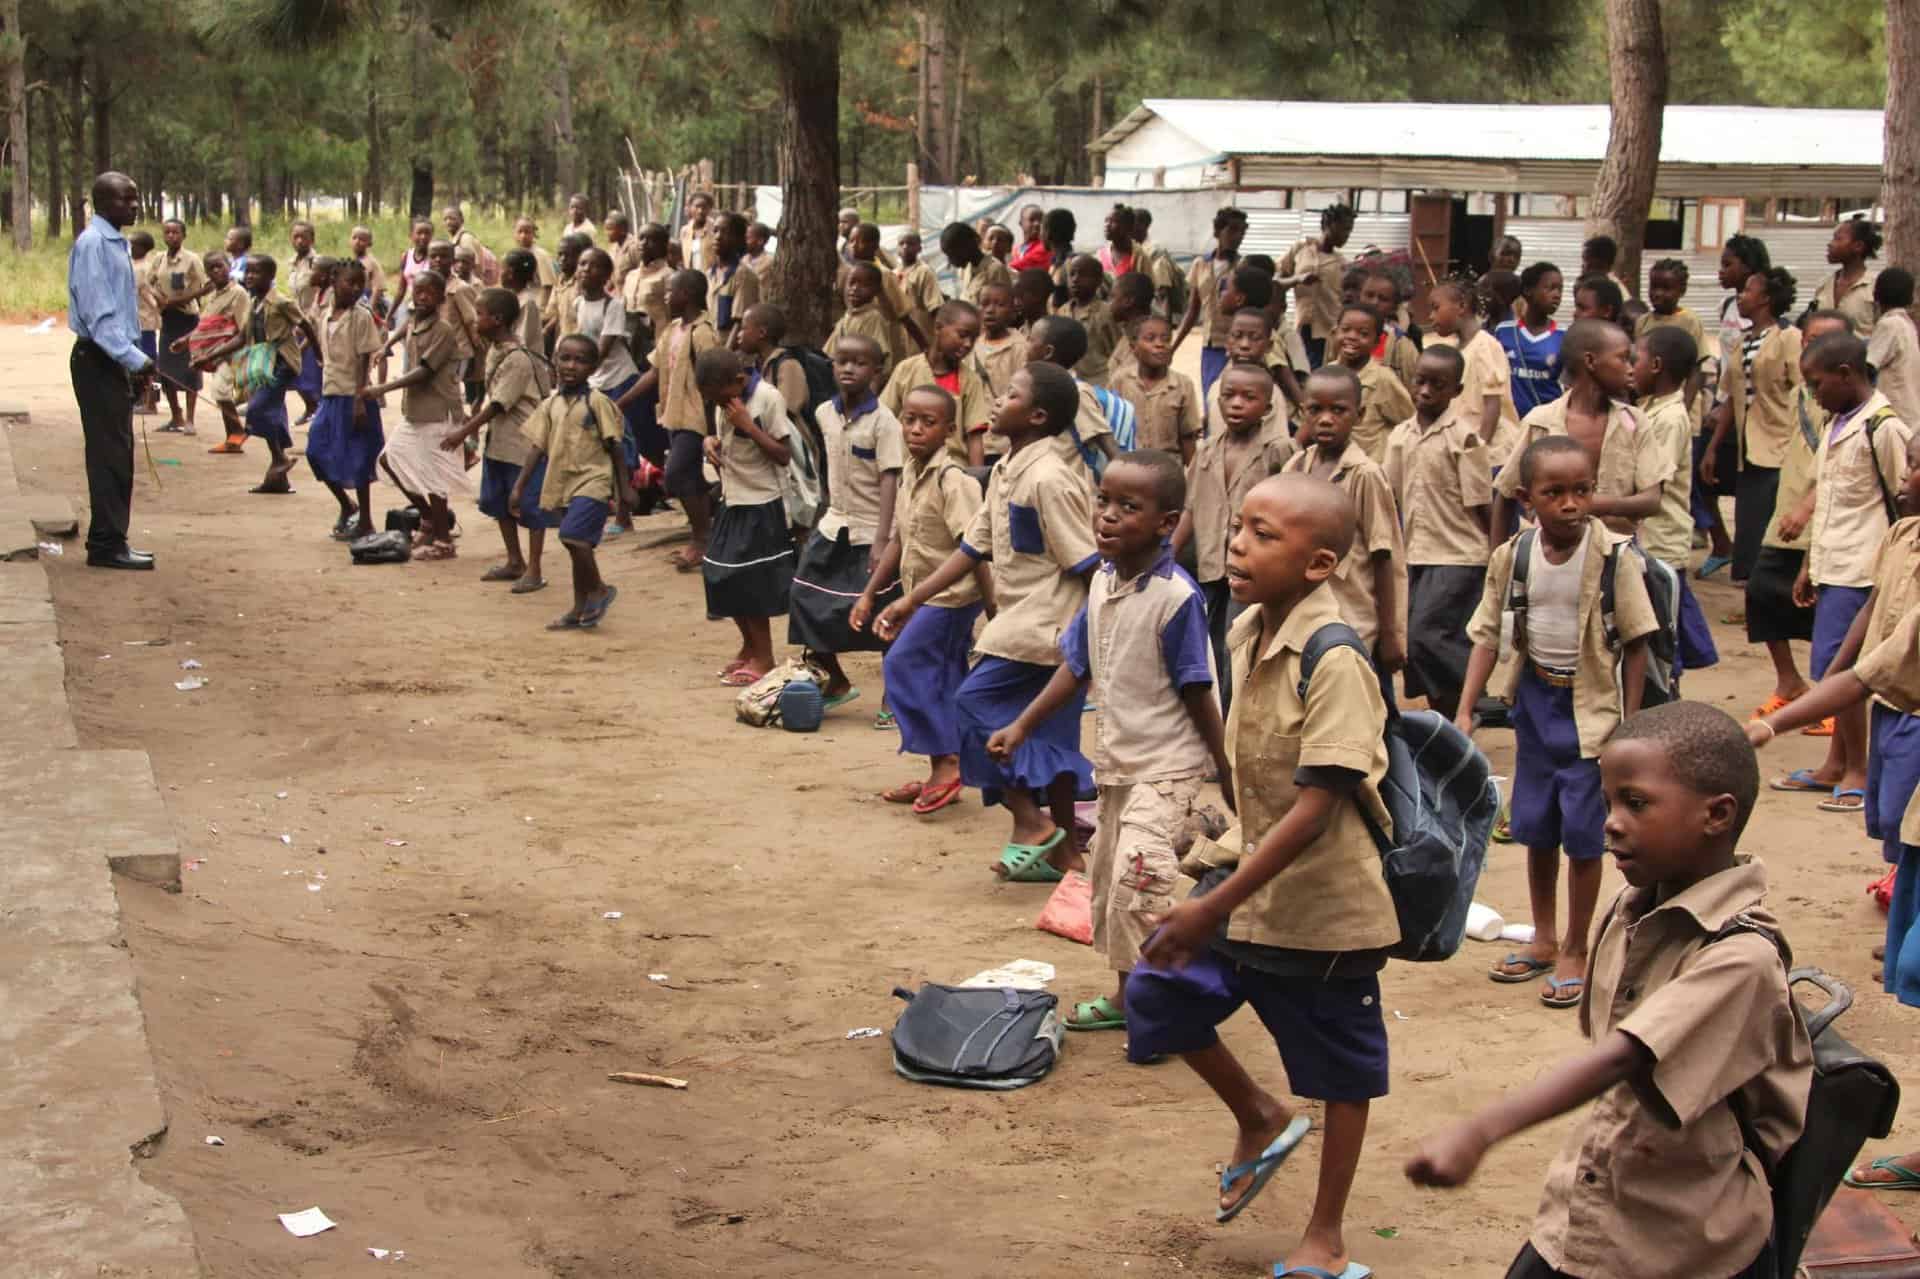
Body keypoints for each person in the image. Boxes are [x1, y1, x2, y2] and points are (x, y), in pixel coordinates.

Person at [1408, 701, 1811, 1279]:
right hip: (1593, 1202)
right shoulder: (1632, 908)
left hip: (1685, 1240)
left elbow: (1625, 1056)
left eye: (1636, 803)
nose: (1611, 823)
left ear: (1717, 815)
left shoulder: (1742, 958)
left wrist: (1482, 1129)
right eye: (1608, 803)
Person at [1127, 471, 1396, 1279]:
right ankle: (1257, 1112)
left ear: (1318, 564)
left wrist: (1213, 907)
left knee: (1342, 1071)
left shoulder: (1335, 656)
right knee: (1157, 988)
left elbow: (1317, 806)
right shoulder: (1247, 627)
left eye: (1263, 535)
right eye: (1239, 527)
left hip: (1323, 904)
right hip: (1245, 877)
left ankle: (1326, 1234)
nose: (1238, 545)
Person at [990, 450, 1227, 1040]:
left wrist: (1225, 767)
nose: (1108, 516)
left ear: (1166, 523)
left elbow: (1198, 689)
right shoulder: (1101, 581)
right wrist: (1022, 726)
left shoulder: (1176, 598)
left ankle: (1166, 1008)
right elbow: (1078, 665)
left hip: (1166, 767)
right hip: (1118, 764)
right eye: (1104, 501)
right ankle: (1129, 995)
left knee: (1140, 882)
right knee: (1110, 885)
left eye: (1129, 506)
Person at [875, 363, 1099, 883]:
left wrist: (1091, 640)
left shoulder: (1049, 478)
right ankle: (1067, 856)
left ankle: (1030, 820)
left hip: (1049, 630)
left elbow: (1088, 564)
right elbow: (973, 547)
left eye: (1011, 395)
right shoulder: (1005, 471)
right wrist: (911, 601)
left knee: (972, 705)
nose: (997, 401)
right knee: (1053, 737)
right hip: (1022, 624)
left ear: (1037, 415)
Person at [1460, 437, 1656, 1009]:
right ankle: (1543, 937)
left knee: (1584, 836)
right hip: (1534, 704)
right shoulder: (1514, 556)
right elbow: (1486, 635)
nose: (1571, 504)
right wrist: (1467, 707)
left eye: (1582, 491)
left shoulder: (1614, 557)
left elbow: (1637, 643)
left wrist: (1631, 724)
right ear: (1527, 499)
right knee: (1536, 827)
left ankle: (1576, 946)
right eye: (1555, 493)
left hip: (1591, 712)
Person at [1750, 441, 1920, 1037]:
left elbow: (1868, 675)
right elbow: (1870, 650)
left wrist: (1773, 724)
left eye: (1917, 466)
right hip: (1896, 700)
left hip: (1905, 704)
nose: (1907, 476)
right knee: (1895, 824)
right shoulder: (1901, 536)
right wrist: (1830, 679)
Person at [1788, 331, 1913, 816]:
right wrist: (1809, 564)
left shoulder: (1884, 428)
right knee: (1829, 666)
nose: (1813, 394)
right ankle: (1834, 764)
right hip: (1833, 562)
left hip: (1864, 569)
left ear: (1845, 374)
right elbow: (1829, 500)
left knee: (1842, 670)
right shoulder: (1837, 422)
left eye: (1817, 383)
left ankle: (1856, 770)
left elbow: (1904, 501)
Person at [853, 386, 992, 815]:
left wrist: (994, 611)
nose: (915, 429)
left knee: (903, 664)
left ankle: (947, 764)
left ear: (948, 430)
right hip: (922, 595)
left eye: (928, 423)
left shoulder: (955, 482)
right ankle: (944, 767)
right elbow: (900, 539)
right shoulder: (911, 473)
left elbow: (976, 549)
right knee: (943, 679)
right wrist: (869, 594)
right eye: (909, 419)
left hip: (950, 598)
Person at [1744, 309, 1855, 737]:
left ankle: (1832, 700)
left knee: (1833, 615)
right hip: (1787, 509)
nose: (1813, 348)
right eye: (1809, 340)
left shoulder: (1853, 404)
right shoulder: (1801, 393)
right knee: (1763, 593)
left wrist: (1808, 509)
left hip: (1831, 519)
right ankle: (1789, 682)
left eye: (1824, 341)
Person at [788, 334, 903, 705]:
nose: (849, 369)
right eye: (842, 362)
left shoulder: (885, 422)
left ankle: (894, 696)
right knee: (805, 597)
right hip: (834, 523)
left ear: (876, 370)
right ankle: (834, 679)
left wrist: (883, 539)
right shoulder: (824, 412)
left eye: (860, 363)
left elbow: (890, 477)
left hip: (873, 528)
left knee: (885, 611)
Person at [1173, 363, 1294, 695]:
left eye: (1248, 397)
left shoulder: (1278, 449)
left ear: (1267, 407)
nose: (1237, 404)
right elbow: (1191, 507)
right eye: (1229, 396)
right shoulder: (1207, 450)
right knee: (1210, 645)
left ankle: (1237, 712)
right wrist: (1168, 554)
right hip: (1212, 565)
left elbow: (1294, 507)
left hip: (1255, 568)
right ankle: (1220, 713)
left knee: (1240, 643)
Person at [1492, 318, 1668, 544]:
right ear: (1590, 361)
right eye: (1623, 359)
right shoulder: (1541, 422)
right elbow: (1506, 494)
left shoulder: (1634, 423)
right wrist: (1498, 557)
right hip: (1549, 551)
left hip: (1616, 550)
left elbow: (1652, 500)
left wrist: (1595, 504)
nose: (1631, 370)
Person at [1385, 346, 1490, 721]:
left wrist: (1497, 557)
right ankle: (1449, 723)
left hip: (1460, 554)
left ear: (1456, 391)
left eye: (1438, 385)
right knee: (1414, 649)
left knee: (1425, 635)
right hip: (1416, 554)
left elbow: (1483, 504)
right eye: (1421, 381)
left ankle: (1482, 699)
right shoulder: (1400, 436)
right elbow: (1389, 495)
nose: (1426, 391)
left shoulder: (1464, 438)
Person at [1281, 365, 1406, 671]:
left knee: (1364, 693)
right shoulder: (1296, 467)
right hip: (1304, 617)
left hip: (1354, 618)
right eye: (1316, 410)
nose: (1326, 419)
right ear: (1303, 412)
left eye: (1338, 410)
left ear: (1359, 415)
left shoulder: (1365, 475)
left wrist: (1390, 634)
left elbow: (1383, 556)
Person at [67, 171, 157, 571]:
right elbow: (100, 317)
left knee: (119, 454)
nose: (134, 206)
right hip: (98, 359)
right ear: (102, 203)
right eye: (125, 199)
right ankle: (106, 544)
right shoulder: (93, 245)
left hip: (113, 359)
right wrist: (137, 359)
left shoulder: (117, 243)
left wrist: (132, 361)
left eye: (135, 198)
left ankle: (112, 538)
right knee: (109, 456)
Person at [509, 334, 626, 630]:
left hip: (594, 481)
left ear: (593, 367)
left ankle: (598, 589)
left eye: (580, 361)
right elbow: (537, 446)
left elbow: (615, 446)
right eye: (565, 358)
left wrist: (625, 490)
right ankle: (578, 609)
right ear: (555, 361)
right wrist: (519, 487)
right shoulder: (551, 404)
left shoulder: (598, 402)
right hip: (563, 484)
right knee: (577, 548)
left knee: (572, 536)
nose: (571, 366)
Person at [698, 348, 797, 681]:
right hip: (733, 497)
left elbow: (783, 454)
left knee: (751, 582)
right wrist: (711, 443)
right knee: (720, 574)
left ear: (739, 380)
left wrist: (748, 426)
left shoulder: (768, 398)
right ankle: (749, 647)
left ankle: (764, 657)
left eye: (718, 396)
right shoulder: (722, 399)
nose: (716, 403)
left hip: (761, 502)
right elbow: (723, 438)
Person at [362, 269, 472, 558]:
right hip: (416, 411)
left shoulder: (443, 330)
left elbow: (425, 371)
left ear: (440, 298)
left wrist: (383, 388)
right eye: (418, 291)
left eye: (429, 293)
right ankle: (428, 518)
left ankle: (443, 541)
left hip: (437, 411)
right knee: (389, 460)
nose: (422, 297)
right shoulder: (415, 319)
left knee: (434, 478)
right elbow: (406, 328)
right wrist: (386, 344)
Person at [1703, 266, 1802, 585]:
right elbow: (1732, 398)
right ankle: (1753, 588)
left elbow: (1801, 391)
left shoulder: (1788, 338)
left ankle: (1769, 591)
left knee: (1769, 525)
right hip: (1749, 447)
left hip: (1780, 443)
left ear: (1765, 299)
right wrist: (1713, 447)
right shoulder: (1743, 341)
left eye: (1748, 290)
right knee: (1750, 525)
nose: (1741, 296)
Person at [1632, 324, 1718, 683]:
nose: (1629, 368)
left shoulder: (1670, 418)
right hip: (1653, 540)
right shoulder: (1650, 408)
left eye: (1635, 359)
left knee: (1663, 632)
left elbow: (1654, 480)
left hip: (1661, 541)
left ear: (1655, 365)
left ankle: (1668, 693)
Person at [457, 288, 554, 592]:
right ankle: (515, 561)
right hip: (500, 442)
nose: (476, 319)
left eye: (480, 314)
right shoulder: (496, 350)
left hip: (522, 445)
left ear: (497, 319)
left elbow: (499, 404)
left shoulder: (517, 358)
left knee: (530, 506)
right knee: (499, 502)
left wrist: (464, 431)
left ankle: (534, 569)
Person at [196, 254, 318, 496]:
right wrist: (209, 355)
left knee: (256, 409)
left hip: (282, 362)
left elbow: (306, 326)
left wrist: (317, 353)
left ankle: (280, 458)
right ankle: (278, 477)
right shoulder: (254, 303)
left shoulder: (281, 302)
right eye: (248, 272)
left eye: (256, 272)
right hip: (261, 364)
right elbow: (242, 337)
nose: (250, 276)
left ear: (270, 276)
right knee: (274, 411)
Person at [1697, 235, 1773, 579]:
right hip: (1725, 400)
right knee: (1702, 471)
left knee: (1749, 485)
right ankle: (1721, 543)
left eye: (1728, 264)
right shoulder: (1729, 305)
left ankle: (1750, 561)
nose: (1721, 270)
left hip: (1749, 409)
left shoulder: (1768, 318)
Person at [645, 269, 720, 571]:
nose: (665, 297)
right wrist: (621, 402)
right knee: (689, 477)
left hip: (695, 417)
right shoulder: (673, 329)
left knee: (675, 475)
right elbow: (654, 371)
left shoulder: (702, 332)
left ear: (685, 295)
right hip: (673, 414)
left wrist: (713, 426)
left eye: (669, 292)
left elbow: (713, 378)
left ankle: (702, 538)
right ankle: (708, 533)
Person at [306, 259, 384, 543]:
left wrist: (360, 399)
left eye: (360, 284)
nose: (355, 288)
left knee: (359, 458)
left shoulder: (360, 315)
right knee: (316, 451)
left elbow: (364, 357)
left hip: (353, 395)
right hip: (331, 392)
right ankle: (346, 504)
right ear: (334, 281)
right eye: (349, 282)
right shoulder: (325, 312)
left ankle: (365, 520)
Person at [881, 300, 991, 465]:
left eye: (973, 339)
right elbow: (884, 419)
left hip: (952, 467)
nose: (968, 344)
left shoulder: (970, 381)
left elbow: (974, 437)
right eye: (962, 335)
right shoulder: (906, 369)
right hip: (907, 466)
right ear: (938, 328)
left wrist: (976, 476)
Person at [1424, 278, 1517, 454]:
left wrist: (1479, 449)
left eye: (1436, 308)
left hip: (1491, 452)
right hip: (1463, 445)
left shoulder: (1485, 346)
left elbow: (1492, 404)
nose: (1431, 317)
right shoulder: (1457, 348)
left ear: (1461, 306)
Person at [1173, 207, 1249, 397]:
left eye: (1242, 231)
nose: (1238, 236)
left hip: (1236, 345)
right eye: (1232, 230)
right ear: (1217, 231)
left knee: (1229, 395)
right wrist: (1173, 347)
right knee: (1210, 396)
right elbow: (1192, 311)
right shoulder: (1201, 264)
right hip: (1210, 345)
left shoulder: (1243, 267)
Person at [1328, 303, 1415, 463]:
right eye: (1346, 330)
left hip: (1369, 465)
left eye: (1363, 334)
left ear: (1377, 341)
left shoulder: (1383, 379)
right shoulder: (1327, 374)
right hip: (1333, 463)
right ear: (1335, 332)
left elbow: (1410, 422)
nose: (1352, 337)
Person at [1109, 314, 1200, 464]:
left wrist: (1192, 473)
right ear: (1133, 348)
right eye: (1150, 339)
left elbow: (1188, 437)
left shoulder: (1183, 385)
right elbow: (1111, 430)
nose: (1160, 344)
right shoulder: (1120, 381)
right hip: (1130, 467)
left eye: (1166, 339)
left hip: (1168, 468)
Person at [147, 218, 210, 433]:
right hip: (168, 318)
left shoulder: (192, 259)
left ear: (184, 235)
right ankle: (176, 416)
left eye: (176, 232)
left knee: (190, 369)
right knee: (165, 370)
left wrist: (183, 299)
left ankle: (190, 419)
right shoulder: (159, 259)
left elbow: (207, 286)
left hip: (187, 318)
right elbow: (148, 283)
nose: (171, 236)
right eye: (167, 232)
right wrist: (160, 299)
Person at [189, 252, 253, 455]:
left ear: (229, 266)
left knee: (220, 390)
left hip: (231, 352)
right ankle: (233, 436)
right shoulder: (212, 296)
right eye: (211, 268)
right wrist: (185, 340)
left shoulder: (238, 293)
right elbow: (207, 325)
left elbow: (244, 331)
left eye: (220, 266)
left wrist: (213, 354)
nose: (216, 271)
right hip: (216, 354)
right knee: (220, 391)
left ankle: (237, 432)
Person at [1278, 204, 1355, 369]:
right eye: (1344, 229)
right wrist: (1297, 279)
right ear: (1328, 225)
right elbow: (1276, 282)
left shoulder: (1342, 264)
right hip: (1302, 327)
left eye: (1350, 230)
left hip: (1328, 331)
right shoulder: (1300, 249)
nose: (1347, 235)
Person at [1496, 262, 1566, 418]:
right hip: (1509, 422)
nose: (1557, 295)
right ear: (1528, 291)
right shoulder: (1503, 331)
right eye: (1550, 288)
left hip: (1547, 422)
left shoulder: (1564, 336)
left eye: (1560, 289)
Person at [1051, 254, 1120, 385]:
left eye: (1083, 275)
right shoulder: (1063, 311)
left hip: (1100, 382)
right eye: (1072, 274)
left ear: (1098, 280)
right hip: (1070, 381)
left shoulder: (1106, 313)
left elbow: (1117, 351)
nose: (1075, 279)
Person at [828, 261, 899, 386]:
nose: (855, 288)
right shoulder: (847, 318)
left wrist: (872, 391)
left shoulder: (873, 318)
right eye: (851, 283)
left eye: (864, 285)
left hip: (863, 382)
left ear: (876, 290)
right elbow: (829, 352)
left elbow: (879, 359)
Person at [1814, 216, 1881, 337]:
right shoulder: (1824, 284)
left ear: (1858, 246)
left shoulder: (1876, 286)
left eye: (1838, 239)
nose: (1830, 244)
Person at [1870, 268, 1920, 428]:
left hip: (1895, 414)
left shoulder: (1889, 324)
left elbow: (1869, 366)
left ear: (1876, 294)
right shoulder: (1906, 324)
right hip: (1910, 412)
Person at [706, 211, 762, 339]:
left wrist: (726, 351)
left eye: (725, 232)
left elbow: (740, 322)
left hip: (727, 346)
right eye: (715, 231)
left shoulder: (743, 275)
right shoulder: (709, 274)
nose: (718, 237)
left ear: (738, 239)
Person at [971, 280, 1027, 403]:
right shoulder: (971, 344)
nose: (990, 310)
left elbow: (1023, 390)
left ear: (1013, 312)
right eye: (984, 304)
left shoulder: (1020, 347)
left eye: (1000, 305)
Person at [940, 221, 1011, 310]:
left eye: (952, 255)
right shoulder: (965, 270)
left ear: (965, 247)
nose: (950, 262)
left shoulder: (995, 270)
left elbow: (1003, 308)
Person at [128, 230, 160, 417]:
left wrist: (156, 310)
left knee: (148, 360)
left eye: (132, 244)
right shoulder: (133, 265)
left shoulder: (144, 268)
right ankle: (142, 397)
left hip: (145, 321)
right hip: (135, 321)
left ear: (142, 248)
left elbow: (145, 293)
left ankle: (151, 400)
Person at [894, 231, 943, 347]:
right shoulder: (893, 274)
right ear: (897, 248)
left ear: (919, 248)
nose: (905, 247)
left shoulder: (924, 272)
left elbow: (935, 307)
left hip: (921, 337)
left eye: (910, 244)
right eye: (901, 243)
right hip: (899, 337)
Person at [1105, 271, 1155, 381]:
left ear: (1128, 301)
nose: (1109, 304)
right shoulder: (1129, 333)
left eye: (1112, 297)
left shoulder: (1143, 343)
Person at [513, 217, 558, 301]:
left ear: (533, 234)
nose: (523, 236)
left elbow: (548, 286)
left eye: (527, 232)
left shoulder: (541, 256)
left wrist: (542, 307)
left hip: (536, 300)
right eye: (520, 231)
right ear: (514, 233)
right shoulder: (515, 254)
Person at [602, 210, 643, 295]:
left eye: (610, 229)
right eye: (605, 229)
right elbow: (612, 277)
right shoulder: (613, 248)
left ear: (622, 230)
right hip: (618, 295)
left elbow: (642, 273)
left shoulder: (634, 248)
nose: (606, 233)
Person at [1579, 233, 1628, 297]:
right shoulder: (1594, 286)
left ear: (1600, 263)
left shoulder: (1614, 292)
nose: (1582, 266)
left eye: (1586, 259)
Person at [678, 190, 715, 271]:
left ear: (709, 209)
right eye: (697, 206)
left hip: (708, 277)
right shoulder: (684, 231)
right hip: (690, 276)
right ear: (690, 207)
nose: (700, 211)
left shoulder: (715, 230)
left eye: (704, 207)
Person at [1008, 203, 1049, 273]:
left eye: (1041, 220)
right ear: (1021, 223)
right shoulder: (1015, 249)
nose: (1037, 224)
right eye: (1032, 220)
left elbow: (1018, 266)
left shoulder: (1045, 247)